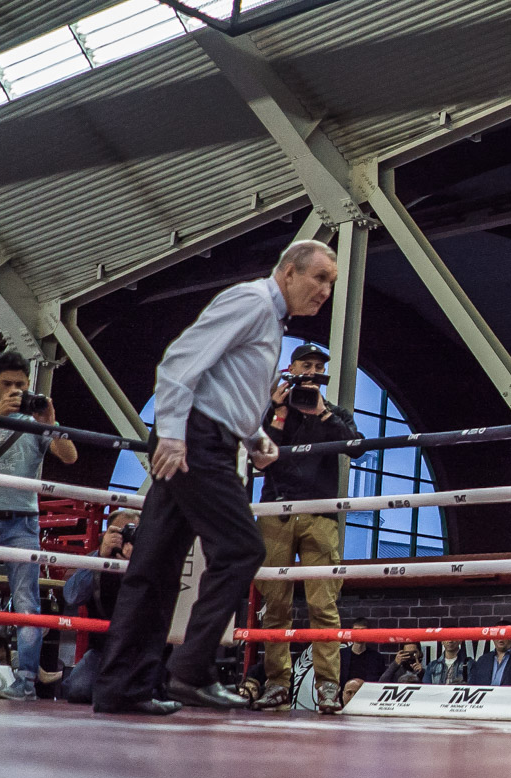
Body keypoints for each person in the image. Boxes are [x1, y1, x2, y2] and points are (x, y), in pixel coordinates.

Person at [92, 240, 337, 716]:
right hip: (196, 443)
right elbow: (181, 362)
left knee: (155, 565)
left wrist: (254, 437)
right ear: (288, 272)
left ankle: (123, 685)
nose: (326, 291)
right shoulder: (250, 302)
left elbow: (228, 386)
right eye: (320, 278)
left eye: (331, 282)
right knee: (242, 548)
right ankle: (192, 670)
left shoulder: (269, 320)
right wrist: (172, 434)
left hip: (207, 438)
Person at [0, 350, 79, 701]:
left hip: (22, 522)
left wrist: (50, 422)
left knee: (27, 603)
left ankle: (25, 679)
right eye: (7, 384)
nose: (14, 390)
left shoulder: (36, 422)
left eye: (20, 385)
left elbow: (69, 457)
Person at [252, 341, 362, 716]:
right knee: (275, 604)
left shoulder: (335, 412)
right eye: (306, 364)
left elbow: (356, 447)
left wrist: (321, 413)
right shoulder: (272, 408)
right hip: (277, 511)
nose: (312, 371)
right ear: (292, 368)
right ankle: (276, 685)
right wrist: (279, 411)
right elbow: (260, 457)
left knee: (323, 604)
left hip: (321, 514)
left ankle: (328, 687)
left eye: (318, 366)